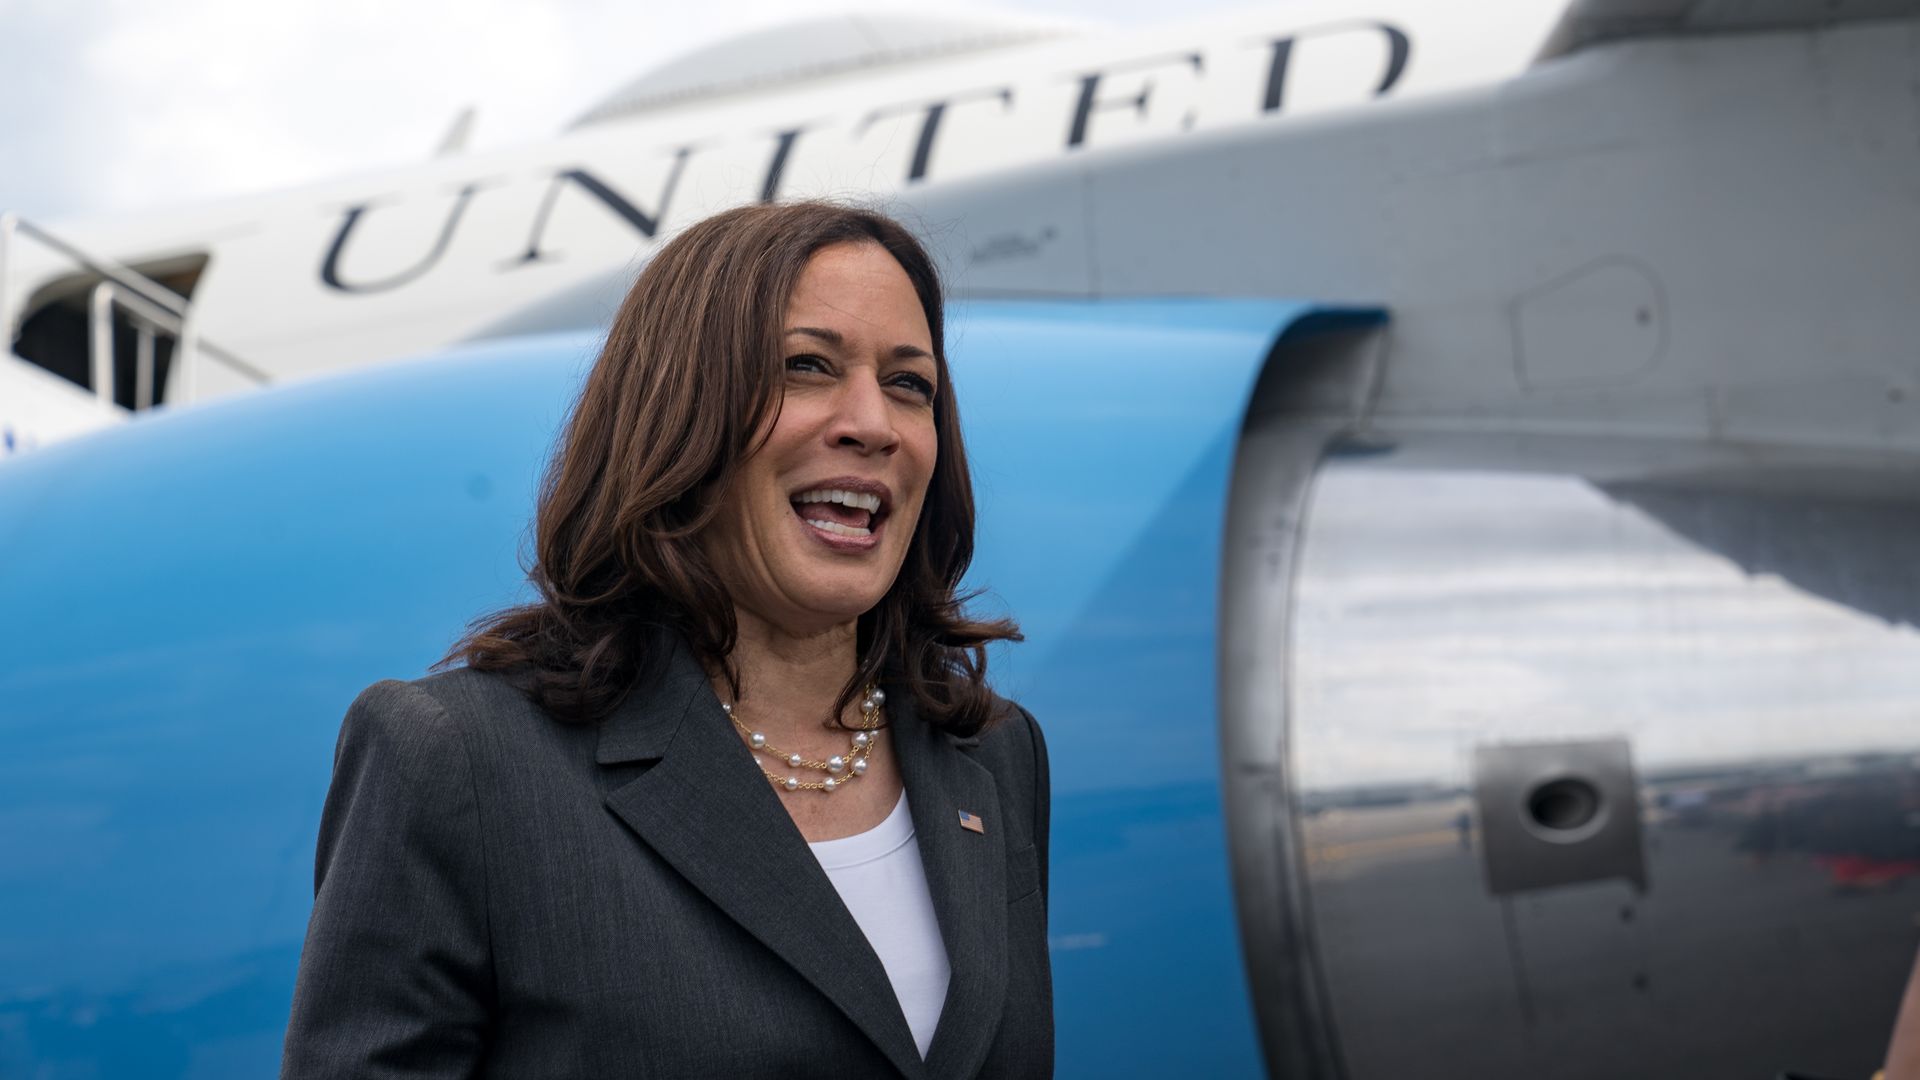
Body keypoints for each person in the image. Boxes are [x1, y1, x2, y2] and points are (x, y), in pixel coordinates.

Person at [279, 201, 1052, 1079]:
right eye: (806, 367)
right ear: (678, 412)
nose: (873, 423)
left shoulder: (994, 757)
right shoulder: (457, 760)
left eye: (910, 384)